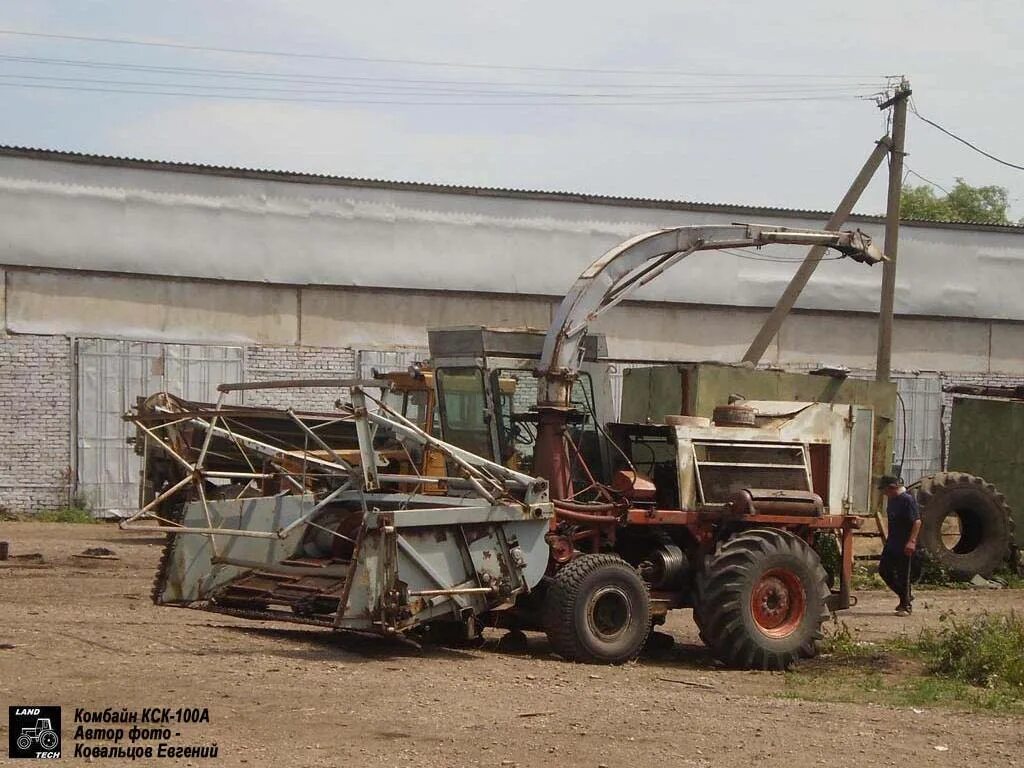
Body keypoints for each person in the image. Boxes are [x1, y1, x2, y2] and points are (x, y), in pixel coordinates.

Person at [877, 475, 921, 615]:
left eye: (884, 490)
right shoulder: (892, 501)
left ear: (892, 488)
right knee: (884, 570)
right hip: (892, 542)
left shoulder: (907, 500)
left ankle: (906, 605)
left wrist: (911, 541)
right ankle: (905, 595)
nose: (883, 493)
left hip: (904, 543)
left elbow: (917, 522)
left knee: (903, 574)